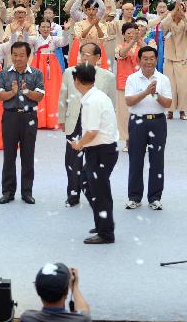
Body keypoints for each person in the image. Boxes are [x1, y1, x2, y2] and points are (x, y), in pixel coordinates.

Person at [58, 42, 116, 206]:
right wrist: (62, 119)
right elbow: (63, 97)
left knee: (95, 160)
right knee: (72, 161)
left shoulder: (107, 77)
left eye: (88, 54)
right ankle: (73, 194)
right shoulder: (70, 73)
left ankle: (95, 193)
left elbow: (112, 104)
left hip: (96, 125)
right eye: (82, 53)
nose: (83, 56)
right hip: (75, 120)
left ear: (98, 57)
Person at [69, 63, 119, 244]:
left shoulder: (91, 101)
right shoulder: (98, 95)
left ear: (76, 81)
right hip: (104, 149)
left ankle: (106, 233)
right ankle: (102, 222)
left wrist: (78, 145)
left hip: (100, 151)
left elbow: (92, 132)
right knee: (87, 184)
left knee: (100, 192)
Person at [124, 45, 173, 210]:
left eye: (152, 58)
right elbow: (129, 101)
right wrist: (145, 92)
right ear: (139, 60)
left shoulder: (163, 79)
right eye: (145, 59)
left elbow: (168, 103)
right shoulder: (132, 78)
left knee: (157, 160)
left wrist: (156, 95)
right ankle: (134, 197)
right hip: (137, 122)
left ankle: (155, 197)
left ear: (156, 59)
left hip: (158, 122)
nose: (149, 62)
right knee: (135, 159)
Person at [0, 41, 45, 204]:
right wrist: (13, 92)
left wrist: (26, 92)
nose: (17, 59)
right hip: (10, 117)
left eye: (21, 55)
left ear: (28, 56)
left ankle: (27, 192)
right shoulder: (4, 73)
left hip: (29, 117)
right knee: (9, 155)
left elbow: (40, 96)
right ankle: (8, 192)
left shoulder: (36, 74)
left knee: (28, 155)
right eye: (14, 55)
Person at [160, 0, 187, 120]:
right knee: (169, 86)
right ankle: (169, 111)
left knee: (183, 87)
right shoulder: (168, 23)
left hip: (182, 59)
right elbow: (163, 25)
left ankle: (182, 111)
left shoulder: (185, 23)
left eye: (181, 9)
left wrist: (183, 13)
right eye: (177, 9)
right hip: (169, 59)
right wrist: (173, 11)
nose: (178, 12)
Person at [31, 20, 69, 130]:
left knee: (52, 90)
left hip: (51, 65)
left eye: (47, 27)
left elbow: (64, 42)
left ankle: (52, 119)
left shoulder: (54, 39)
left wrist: (66, 31)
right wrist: (24, 30)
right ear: (39, 28)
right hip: (38, 64)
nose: (45, 29)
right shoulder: (35, 39)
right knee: (37, 89)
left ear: (50, 28)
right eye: (43, 27)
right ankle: (39, 119)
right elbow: (24, 41)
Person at [21, 263, 90, 322]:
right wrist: (74, 287)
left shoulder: (28, 318)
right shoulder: (81, 320)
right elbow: (84, 311)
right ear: (66, 291)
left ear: (37, 290)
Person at [115, 22, 142, 144]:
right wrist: (133, 42)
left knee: (140, 112)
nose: (131, 35)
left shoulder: (143, 45)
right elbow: (122, 54)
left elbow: (151, 53)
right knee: (125, 114)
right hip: (124, 83)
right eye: (128, 33)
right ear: (124, 35)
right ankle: (127, 140)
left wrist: (140, 40)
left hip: (141, 84)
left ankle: (141, 140)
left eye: (133, 33)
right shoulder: (119, 46)